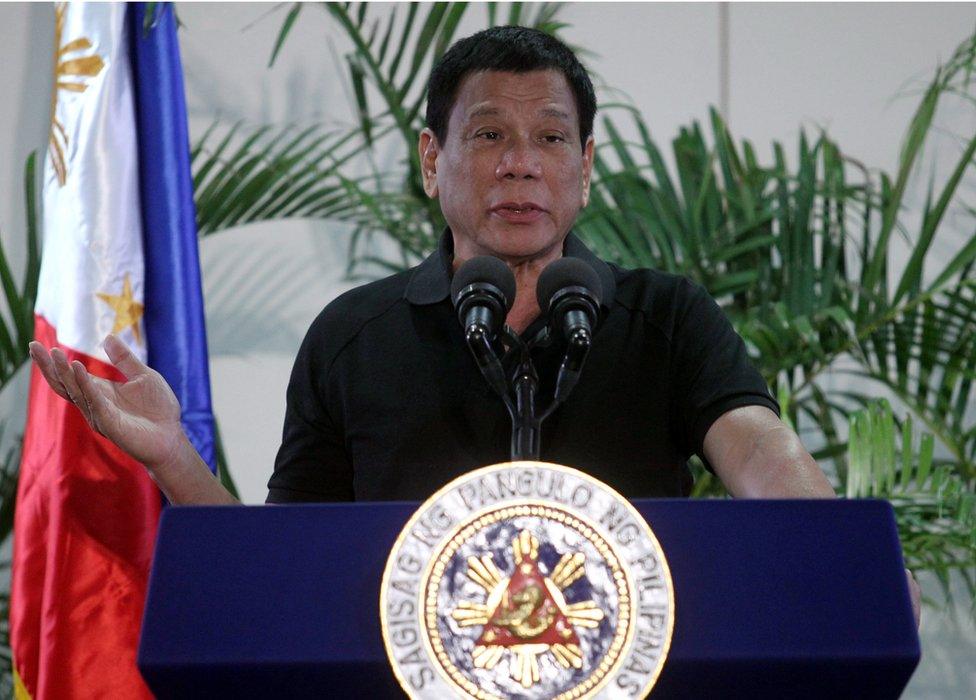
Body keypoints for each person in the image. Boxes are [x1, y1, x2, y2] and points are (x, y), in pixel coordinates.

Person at [28, 26, 920, 621]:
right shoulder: (355, 335)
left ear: (587, 165)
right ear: (433, 159)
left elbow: (757, 447)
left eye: (552, 139)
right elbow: (282, 575)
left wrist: (838, 557)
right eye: (489, 136)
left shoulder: (665, 316)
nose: (522, 166)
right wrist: (175, 459)